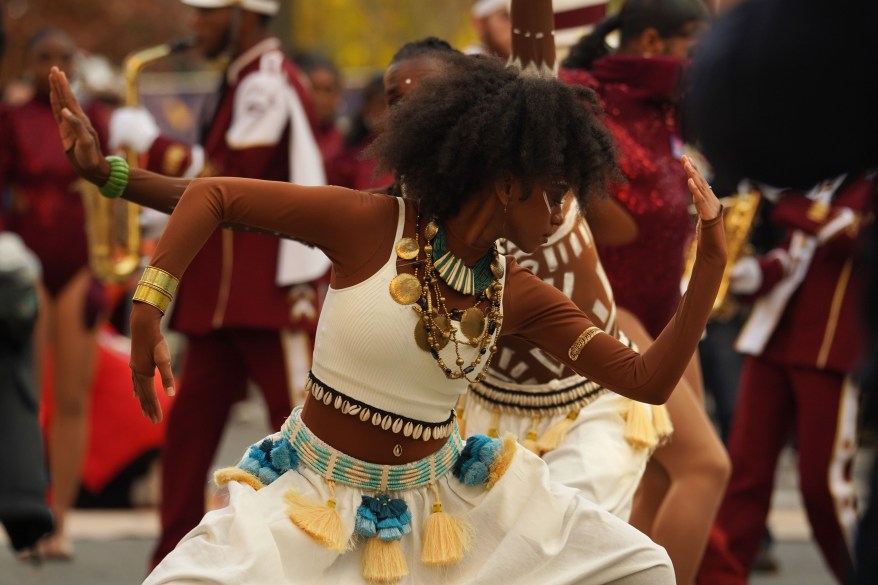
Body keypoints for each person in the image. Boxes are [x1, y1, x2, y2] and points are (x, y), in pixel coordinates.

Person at [50, 42, 725, 584]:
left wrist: (712, 268)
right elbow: (216, 197)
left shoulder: (514, 290)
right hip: (316, 496)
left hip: (444, 510)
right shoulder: (369, 224)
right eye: (551, 193)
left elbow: (645, 382)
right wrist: (146, 287)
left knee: (641, 565)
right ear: (506, 179)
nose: (558, 214)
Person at [107, 0, 330, 569]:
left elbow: (231, 178)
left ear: (246, 13)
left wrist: (153, 147)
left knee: (307, 439)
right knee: (185, 443)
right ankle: (171, 567)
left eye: (208, 12)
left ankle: (325, 559)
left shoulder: (267, 81)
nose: (195, 23)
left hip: (270, 291)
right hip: (224, 297)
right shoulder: (243, 77)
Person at [560, 3, 735, 583]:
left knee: (658, 474)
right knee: (706, 468)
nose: (700, 63)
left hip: (670, 313)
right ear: (654, 40)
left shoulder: (667, 108)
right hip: (618, 313)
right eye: (694, 47)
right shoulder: (580, 102)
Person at [0, 27, 110, 560]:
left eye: (63, 57)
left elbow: (121, 194)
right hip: (26, 264)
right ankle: (24, 516)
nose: (54, 66)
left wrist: (110, 271)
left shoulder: (102, 120)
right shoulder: (12, 119)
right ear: (29, 63)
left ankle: (58, 522)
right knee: (23, 396)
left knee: (71, 398)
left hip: (81, 265)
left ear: (76, 62)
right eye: (44, 57)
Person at [326, 73, 393, 191]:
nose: (389, 112)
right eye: (382, 104)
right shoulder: (347, 159)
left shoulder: (413, 154)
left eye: (394, 104)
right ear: (367, 109)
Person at [292, 51, 345, 168]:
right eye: (313, 88)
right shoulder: (289, 141)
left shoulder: (347, 145)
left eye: (327, 90)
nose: (319, 98)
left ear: (338, 95)